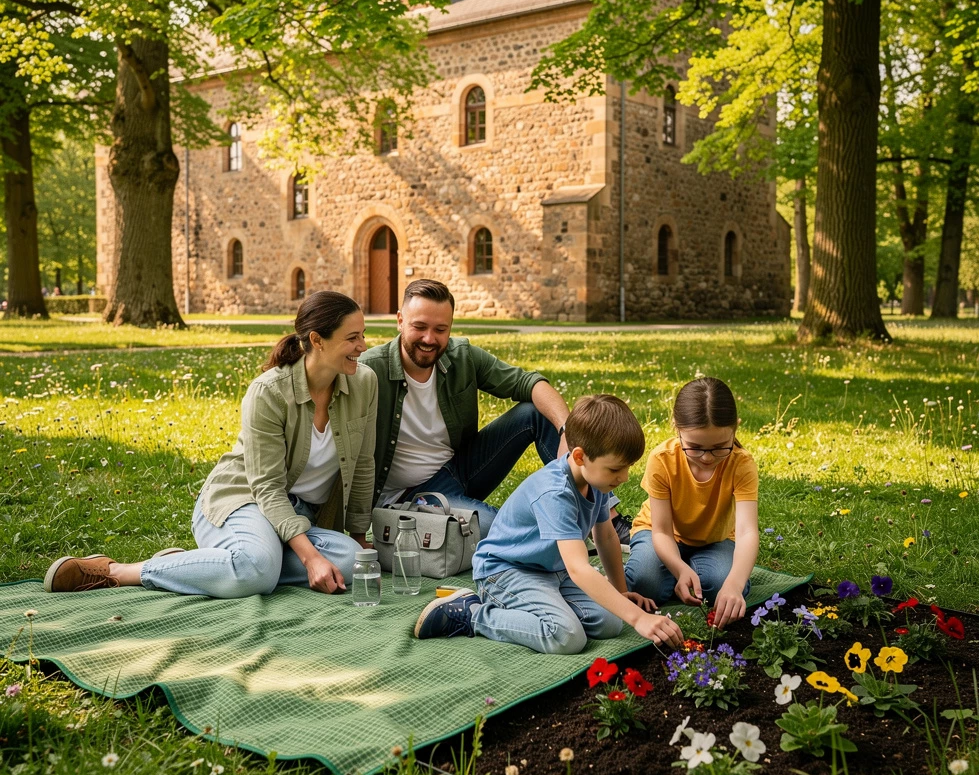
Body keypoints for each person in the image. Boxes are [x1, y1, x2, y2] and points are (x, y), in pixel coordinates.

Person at [44, 291, 377, 597]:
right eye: (352, 337)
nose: (363, 345)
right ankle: (119, 571)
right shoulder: (270, 392)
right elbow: (267, 488)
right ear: (317, 340)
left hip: (301, 516)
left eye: (362, 335)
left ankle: (205, 565)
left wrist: (361, 541)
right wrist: (310, 560)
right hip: (244, 500)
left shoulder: (363, 383)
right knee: (257, 572)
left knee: (352, 562)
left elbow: (363, 465)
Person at [413, 394, 684, 655]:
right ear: (580, 457)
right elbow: (579, 568)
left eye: (627, 467)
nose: (624, 477)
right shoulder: (555, 493)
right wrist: (638, 619)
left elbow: (606, 537)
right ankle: (472, 613)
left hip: (553, 571)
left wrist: (621, 592)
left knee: (610, 622)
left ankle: (546, 606)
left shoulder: (597, 479)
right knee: (566, 636)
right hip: (506, 571)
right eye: (615, 469)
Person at [359, 279, 570, 536]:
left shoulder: (462, 356)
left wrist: (567, 431)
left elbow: (530, 383)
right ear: (400, 320)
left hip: (461, 469)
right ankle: (556, 532)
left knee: (536, 412)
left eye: (440, 329)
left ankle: (602, 516)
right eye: (419, 326)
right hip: (413, 497)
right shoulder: (369, 370)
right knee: (504, 530)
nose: (429, 338)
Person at [622, 376, 758, 628]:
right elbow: (661, 530)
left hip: (714, 541)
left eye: (720, 447)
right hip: (661, 535)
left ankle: (688, 578)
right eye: (695, 447)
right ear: (676, 427)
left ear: (735, 429)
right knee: (644, 583)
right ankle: (682, 574)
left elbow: (747, 531)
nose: (707, 458)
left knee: (722, 589)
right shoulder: (662, 459)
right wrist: (679, 570)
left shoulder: (742, 464)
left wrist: (735, 584)